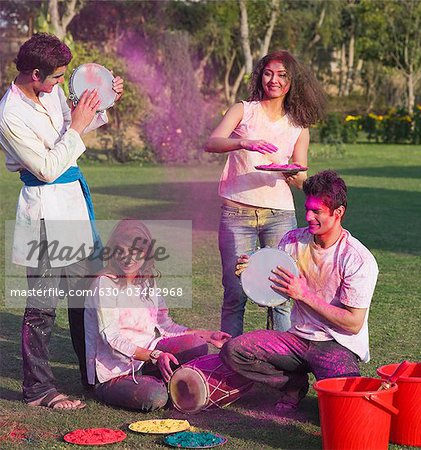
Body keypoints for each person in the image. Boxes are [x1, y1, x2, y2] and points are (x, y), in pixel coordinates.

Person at [0, 33, 123, 409]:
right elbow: (50, 168)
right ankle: (38, 389)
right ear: (35, 74)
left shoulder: (50, 92)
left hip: (73, 208)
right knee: (42, 307)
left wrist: (104, 101)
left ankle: (95, 375)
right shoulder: (8, 114)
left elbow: (78, 127)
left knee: (86, 300)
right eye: (56, 77)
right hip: (43, 212)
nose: (60, 84)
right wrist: (77, 125)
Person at [220, 170, 379, 412]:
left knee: (345, 409)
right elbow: (273, 294)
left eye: (317, 211)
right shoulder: (292, 241)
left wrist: (304, 294)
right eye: (307, 208)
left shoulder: (357, 259)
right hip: (297, 339)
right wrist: (251, 271)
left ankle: (329, 387)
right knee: (235, 351)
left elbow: (353, 324)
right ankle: (293, 383)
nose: (308, 216)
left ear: (338, 213)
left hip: (336, 343)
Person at [205, 50, 326, 337]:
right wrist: (244, 143)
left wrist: (291, 172)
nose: (274, 80)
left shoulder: (298, 125)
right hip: (237, 212)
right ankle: (230, 364)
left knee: (281, 296)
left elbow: (301, 178)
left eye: (282, 75)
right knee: (235, 294)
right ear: (260, 75)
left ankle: (281, 365)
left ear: (291, 81)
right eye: (269, 72)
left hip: (279, 214)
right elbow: (212, 143)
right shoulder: (243, 110)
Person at [84, 219, 231, 411]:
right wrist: (154, 356)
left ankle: (167, 380)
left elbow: (165, 326)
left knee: (196, 343)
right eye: (122, 251)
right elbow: (111, 339)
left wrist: (207, 335)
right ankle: (166, 386)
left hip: (147, 358)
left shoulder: (146, 281)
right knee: (155, 396)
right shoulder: (104, 284)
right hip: (112, 372)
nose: (128, 258)